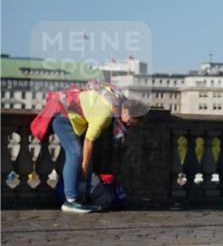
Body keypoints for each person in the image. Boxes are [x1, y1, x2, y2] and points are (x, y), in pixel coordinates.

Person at [30, 80, 149, 213]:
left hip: (72, 119)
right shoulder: (104, 114)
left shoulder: (116, 104)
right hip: (63, 117)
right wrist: (85, 165)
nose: (129, 125)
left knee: (88, 159)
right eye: (131, 121)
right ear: (126, 112)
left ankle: (84, 200)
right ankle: (70, 201)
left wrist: (87, 163)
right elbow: (89, 140)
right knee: (76, 154)